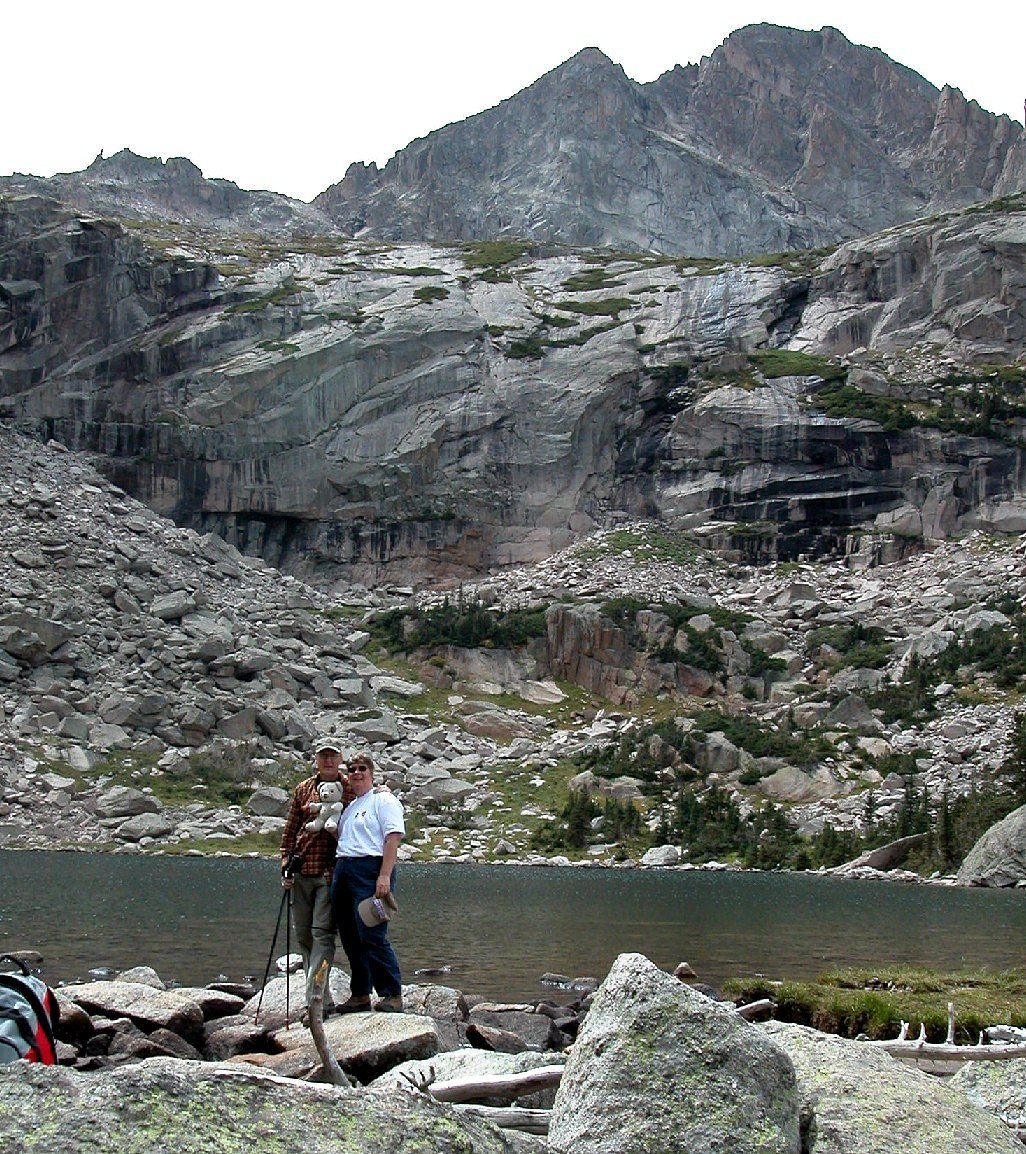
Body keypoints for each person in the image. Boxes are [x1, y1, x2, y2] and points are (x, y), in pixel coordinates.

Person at [279, 738, 354, 1018]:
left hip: (330, 872)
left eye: (333, 756)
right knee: (303, 936)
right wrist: (285, 865)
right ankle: (325, 996)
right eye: (324, 756)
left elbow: (371, 799)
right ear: (316, 759)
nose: (329, 761)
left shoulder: (350, 789)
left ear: (340, 759)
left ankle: (314, 1000)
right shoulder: (303, 789)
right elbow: (290, 830)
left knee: (322, 934)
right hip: (301, 871)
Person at [330, 752, 406, 1013]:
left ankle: (392, 993)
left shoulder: (383, 800)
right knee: (350, 935)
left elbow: (392, 838)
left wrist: (384, 875)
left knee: (372, 933)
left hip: (370, 868)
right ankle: (360, 993)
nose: (356, 773)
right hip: (344, 868)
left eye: (362, 768)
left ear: (371, 773)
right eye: (352, 769)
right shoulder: (350, 806)